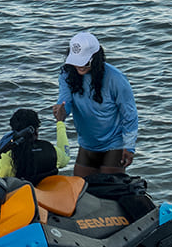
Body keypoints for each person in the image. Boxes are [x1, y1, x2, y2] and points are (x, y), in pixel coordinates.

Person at [50, 31, 137, 177]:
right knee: (81, 191)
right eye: (76, 62)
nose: (80, 66)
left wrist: (129, 146)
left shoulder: (116, 78)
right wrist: (62, 110)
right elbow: (66, 101)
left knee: (110, 192)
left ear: (95, 58)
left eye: (85, 62)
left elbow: (129, 114)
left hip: (113, 144)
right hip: (86, 144)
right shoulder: (67, 74)